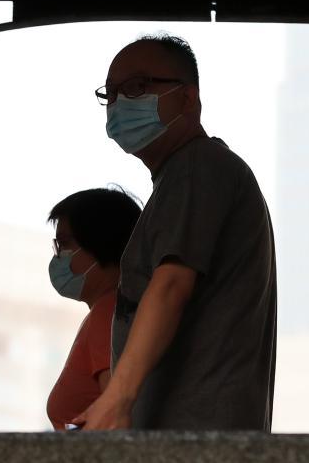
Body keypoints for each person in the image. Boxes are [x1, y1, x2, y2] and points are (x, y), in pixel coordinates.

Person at [73, 33, 277, 431]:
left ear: (188, 98)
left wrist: (116, 399)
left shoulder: (198, 165)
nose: (119, 103)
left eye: (136, 87)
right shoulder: (184, 178)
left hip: (197, 441)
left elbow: (170, 285)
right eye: (110, 94)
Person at [45, 186, 141, 431]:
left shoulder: (110, 313)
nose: (58, 256)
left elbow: (115, 421)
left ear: (100, 244)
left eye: (64, 244)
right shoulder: (110, 311)